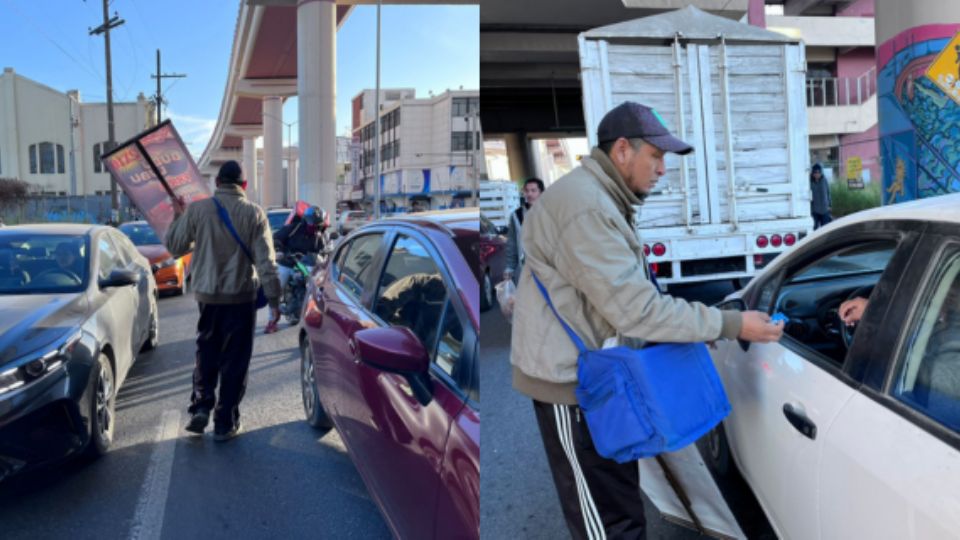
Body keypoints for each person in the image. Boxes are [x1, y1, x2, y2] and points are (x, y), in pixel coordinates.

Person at [510, 101, 784, 539]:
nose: (661, 169)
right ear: (622, 150)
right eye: (655, 157)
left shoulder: (599, 198)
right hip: (572, 387)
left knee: (619, 505)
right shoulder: (587, 208)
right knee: (605, 521)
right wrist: (731, 324)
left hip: (595, 377)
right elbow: (637, 311)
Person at [165, 160, 282, 442]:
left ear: (217, 183)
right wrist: (276, 301)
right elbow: (266, 263)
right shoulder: (255, 213)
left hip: (207, 297)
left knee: (206, 351)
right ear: (244, 185)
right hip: (241, 297)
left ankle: (200, 408)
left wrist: (178, 216)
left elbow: (174, 247)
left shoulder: (198, 209)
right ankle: (224, 422)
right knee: (235, 360)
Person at [273, 205, 328, 292]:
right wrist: (279, 249)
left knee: (320, 288)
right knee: (278, 287)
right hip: (287, 262)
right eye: (310, 222)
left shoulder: (319, 237)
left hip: (307, 266)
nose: (312, 225)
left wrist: (325, 255)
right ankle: (274, 304)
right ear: (305, 220)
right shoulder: (294, 228)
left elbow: (323, 251)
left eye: (316, 223)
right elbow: (276, 238)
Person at [504, 177, 544, 286]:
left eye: (533, 190)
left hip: (548, 267)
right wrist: (510, 267)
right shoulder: (516, 215)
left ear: (541, 192)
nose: (529, 194)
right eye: (527, 191)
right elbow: (512, 243)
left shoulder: (550, 212)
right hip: (526, 268)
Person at [810, 163, 832, 229]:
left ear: (821, 173)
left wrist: (830, 205)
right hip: (814, 210)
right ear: (813, 173)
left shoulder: (824, 180)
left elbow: (828, 192)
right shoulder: (810, 181)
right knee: (814, 228)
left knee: (825, 229)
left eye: (819, 172)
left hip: (824, 209)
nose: (817, 174)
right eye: (815, 172)